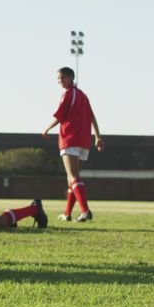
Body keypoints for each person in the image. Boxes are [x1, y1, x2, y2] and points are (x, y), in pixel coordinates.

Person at [42, 67, 104, 222]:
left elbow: (60, 115)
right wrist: (97, 137)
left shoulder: (69, 94)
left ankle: (85, 211)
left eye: (62, 78)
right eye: (58, 79)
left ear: (70, 77)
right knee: (73, 178)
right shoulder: (83, 95)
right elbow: (92, 116)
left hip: (70, 138)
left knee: (73, 176)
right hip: (83, 140)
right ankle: (67, 213)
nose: (60, 81)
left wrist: (47, 128)